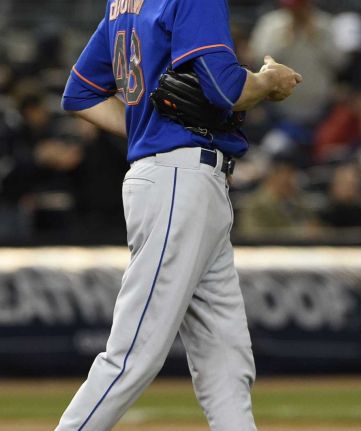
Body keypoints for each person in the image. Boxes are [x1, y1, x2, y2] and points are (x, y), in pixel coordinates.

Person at [55, 0, 302, 429]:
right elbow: (226, 89)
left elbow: (80, 94)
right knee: (135, 352)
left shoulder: (123, 4)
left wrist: (148, 127)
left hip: (179, 180)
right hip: (179, 181)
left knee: (225, 357)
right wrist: (268, 82)